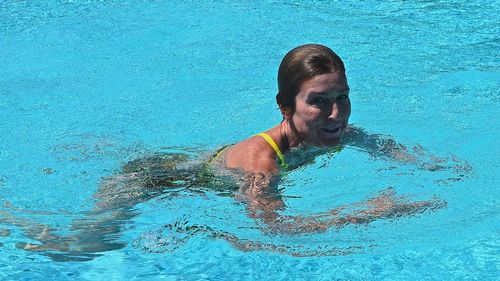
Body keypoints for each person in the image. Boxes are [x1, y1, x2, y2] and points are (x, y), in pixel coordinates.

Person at [3, 44, 465, 260]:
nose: (335, 113)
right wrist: (372, 212)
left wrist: (434, 166)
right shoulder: (263, 163)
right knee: (76, 250)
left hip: (189, 162)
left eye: (342, 96)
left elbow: (380, 143)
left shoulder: (337, 129)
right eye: (318, 101)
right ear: (286, 107)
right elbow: (276, 234)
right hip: (150, 182)